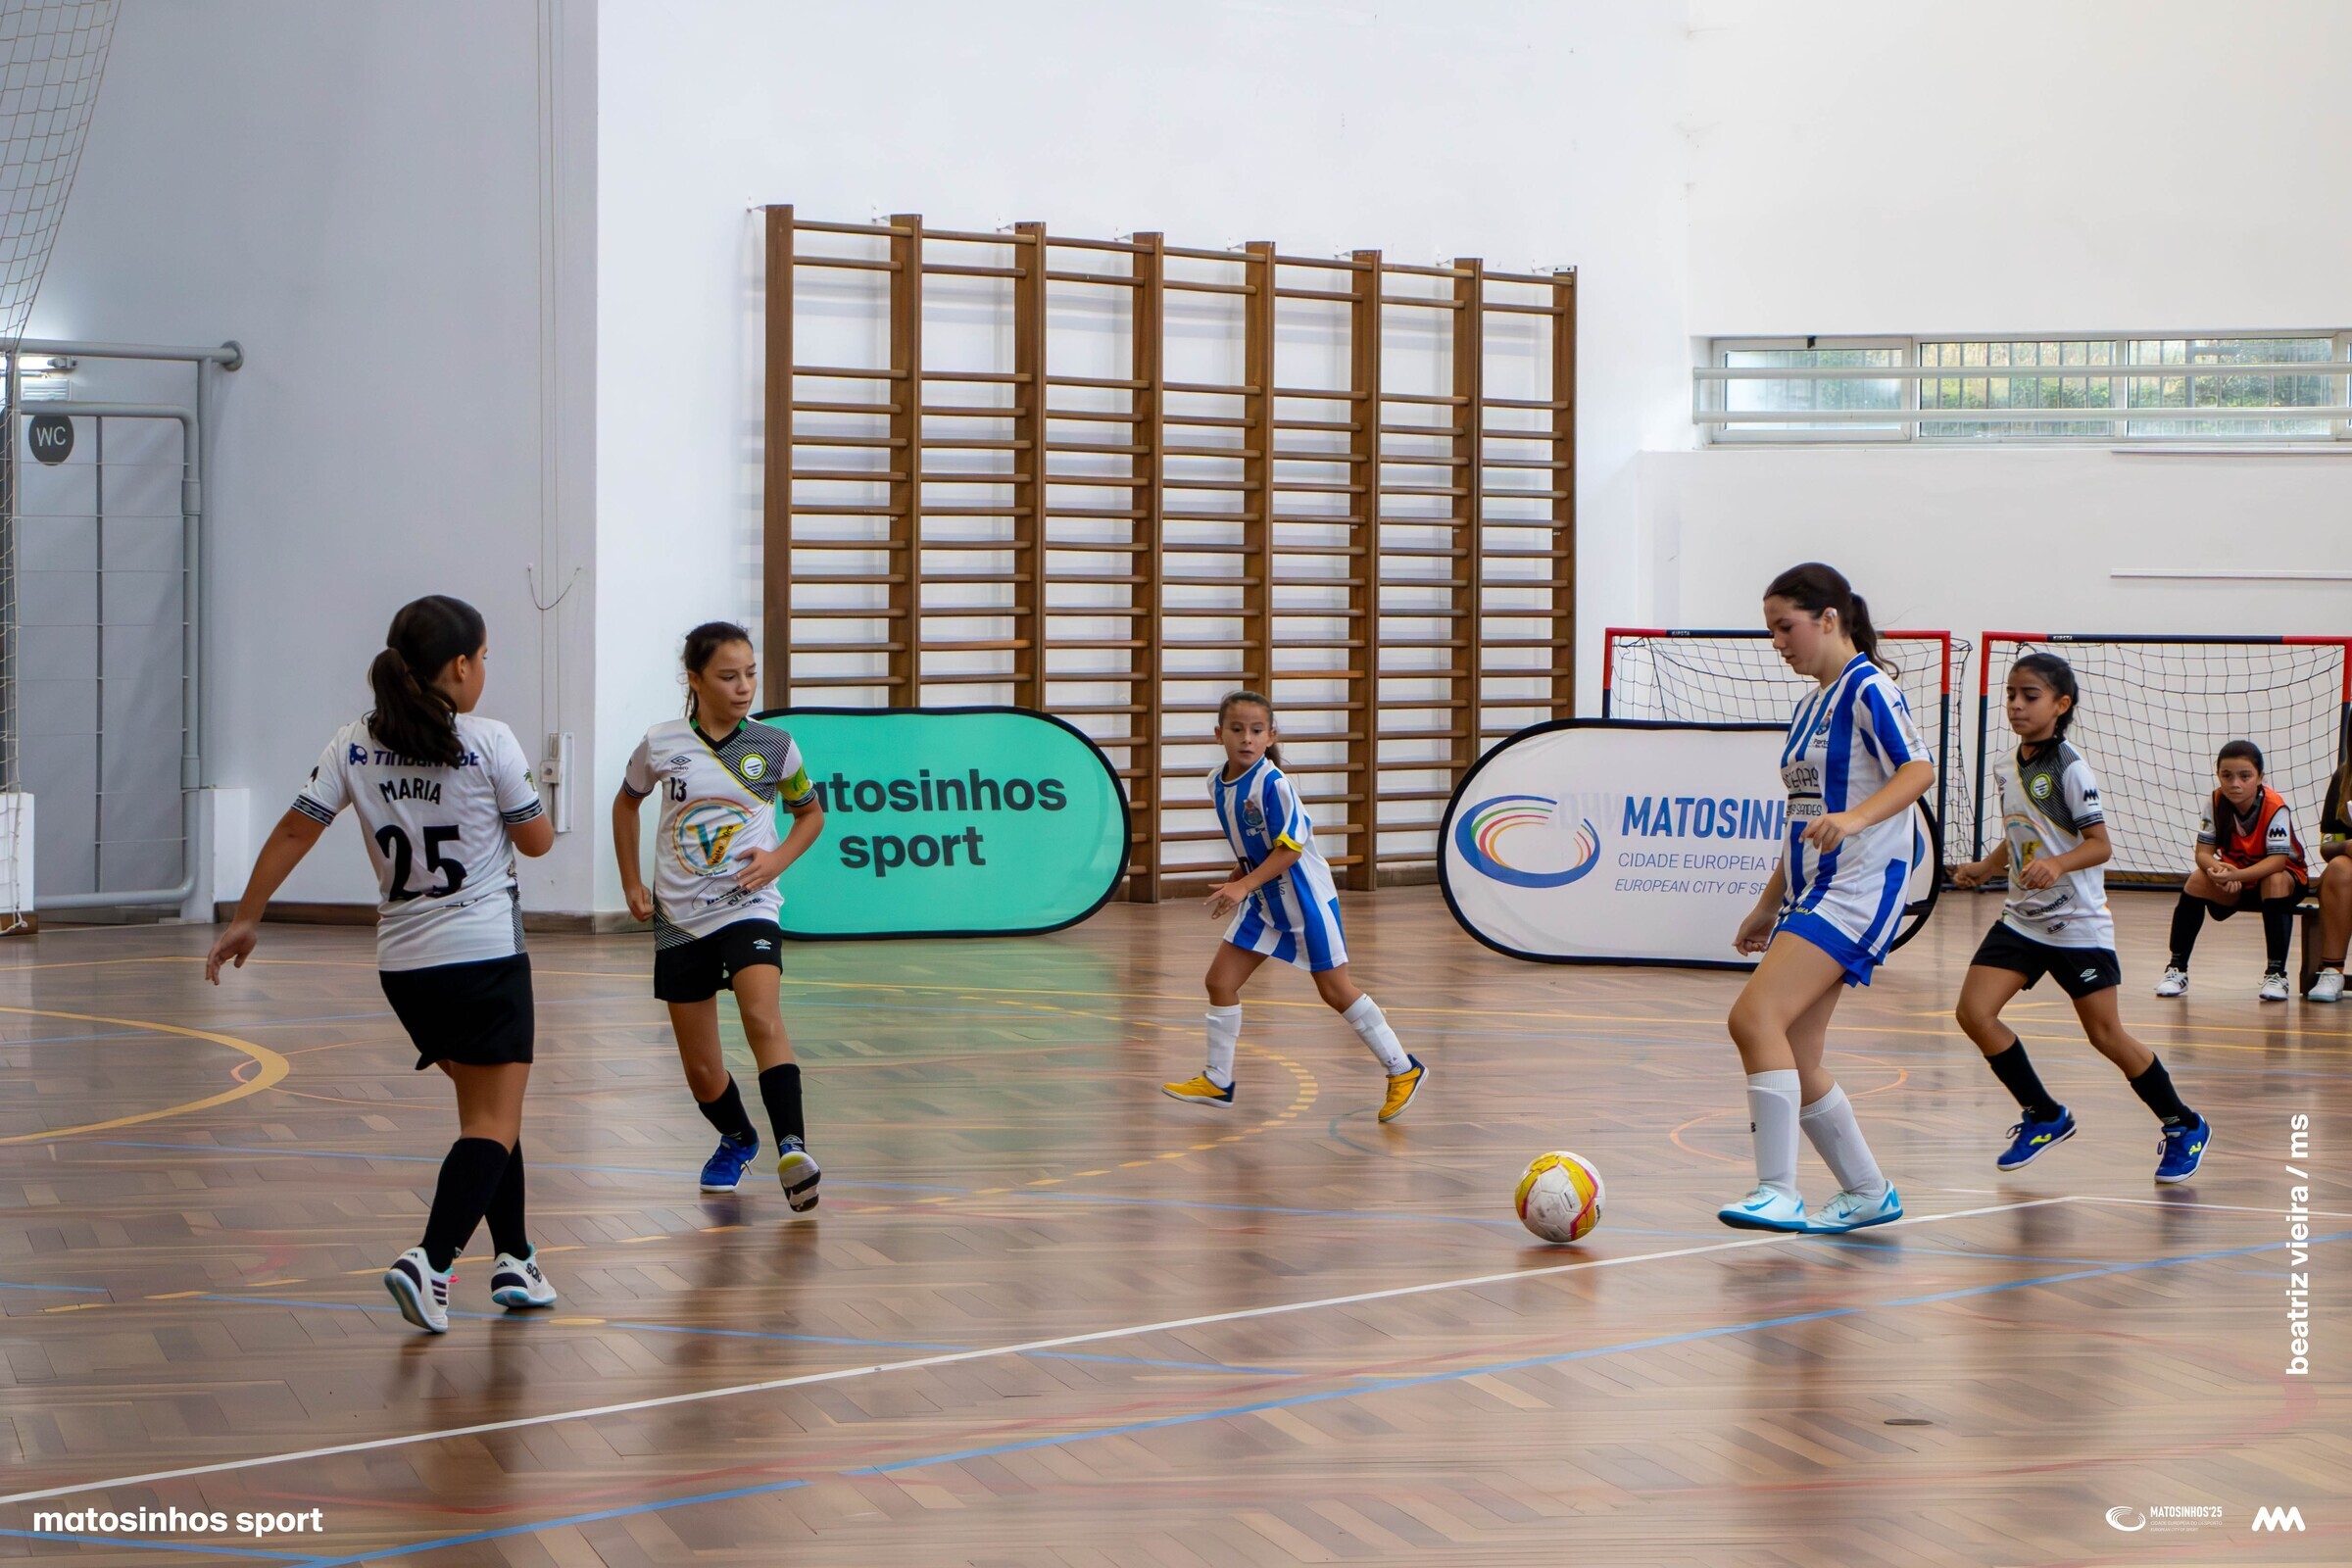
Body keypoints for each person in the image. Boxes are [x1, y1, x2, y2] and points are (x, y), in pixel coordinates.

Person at [206, 595, 557, 1333]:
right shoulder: (489, 740)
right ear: (459, 666)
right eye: (484, 657)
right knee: (492, 1120)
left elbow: (294, 830)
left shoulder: (354, 743)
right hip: (485, 957)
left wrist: (246, 917)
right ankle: (431, 1263)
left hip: (406, 968)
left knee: (489, 1113)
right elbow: (537, 842)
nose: (485, 669)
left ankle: (516, 1259)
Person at [1721, 564, 1933, 1235]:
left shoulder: (1870, 688)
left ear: (1830, 619)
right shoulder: (1810, 705)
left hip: (1857, 891)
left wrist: (1856, 819)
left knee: (1753, 1019)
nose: (1777, 642)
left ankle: (1777, 1191)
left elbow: (1919, 769)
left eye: (1786, 627)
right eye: (1771, 631)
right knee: (1795, 1052)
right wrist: (1768, 903)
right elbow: (1803, 818)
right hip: (1813, 891)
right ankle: (1868, 1192)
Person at [1950, 653, 2210, 1184]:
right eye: (2011, 695)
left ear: (2060, 705)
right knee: (1974, 1014)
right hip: (2021, 920)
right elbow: (2024, 831)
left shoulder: (2070, 768)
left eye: (2030, 696)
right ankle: (2045, 1115)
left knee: (2106, 1035)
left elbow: (2099, 845)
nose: (2016, 705)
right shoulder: (2006, 765)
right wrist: (1988, 866)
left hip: (2077, 926)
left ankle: (2184, 1123)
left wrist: (2058, 865)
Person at [613, 622, 827, 1208]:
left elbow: (810, 815)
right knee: (703, 1071)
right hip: (680, 919)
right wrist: (631, 881)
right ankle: (738, 1138)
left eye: (750, 674)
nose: (743, 687)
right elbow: (625, 805)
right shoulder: (661, 743)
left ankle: (793, 1151)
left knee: (761, 1016)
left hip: (749, 905)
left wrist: (776, 859)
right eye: (728, 676)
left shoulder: (775, 746)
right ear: (695, 679)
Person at [1161, 690, 1426, 1121]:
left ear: (1271, 737)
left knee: (1335, 990)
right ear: (1218, 734)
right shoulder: (1216, 782)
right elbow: (1253, 843)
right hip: (1264, 899)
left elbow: (1290, 849)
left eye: (1256, 730)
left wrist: (1244, 885)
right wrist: (1238, 877)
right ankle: (1217, 1080)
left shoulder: (1274, 784)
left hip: (1304, 899)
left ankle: (1403, 1069)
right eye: (1237, 729)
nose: (1247, 738)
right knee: (1220, 982)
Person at [2156, 740, 2307, 1002]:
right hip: (2237, 879)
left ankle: (2276, 974)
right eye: (2227, 776)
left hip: (2281, 881)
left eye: (2244, 776)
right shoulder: (2215, 802)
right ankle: (2177, 968)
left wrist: (2236, 875)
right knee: (2197, 879)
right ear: (2218, 775)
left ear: (2260, 777)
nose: (2235, 783)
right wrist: (2218, 871)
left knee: (2275, 879)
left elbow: (2277, 862)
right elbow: (2203, 854)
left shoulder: (2275, 806)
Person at [2305, 747, 2351, 1003]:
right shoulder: (2344, 778)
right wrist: (2346, 847)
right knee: (2338, 869)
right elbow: (2328, 846)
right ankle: (2332, 970)